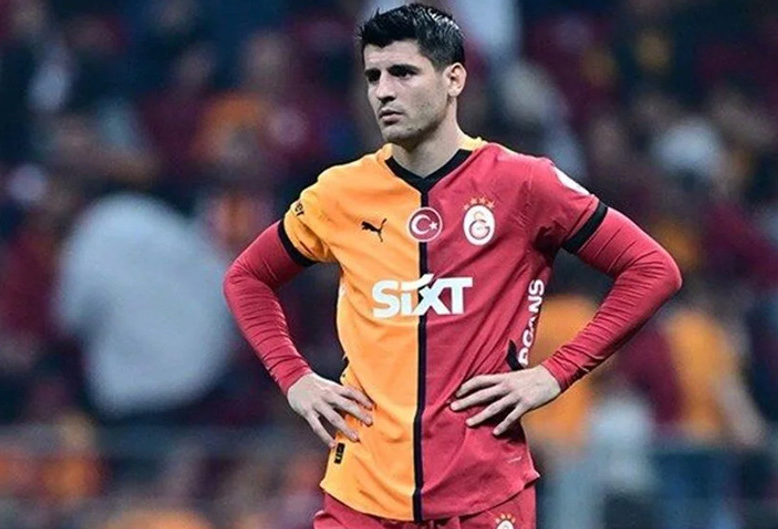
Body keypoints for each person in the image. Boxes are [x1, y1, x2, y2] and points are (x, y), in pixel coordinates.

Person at [223, 4, 682, 528]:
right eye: (373, 76)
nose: (383, 91)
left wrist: (553, 374)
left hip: (485, 498)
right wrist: (295, 379)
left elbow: (652, 269)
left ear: (454, 79)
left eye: (403, 73)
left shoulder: (523, 183)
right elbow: (246, 277)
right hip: (361, 499)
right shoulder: (340, 194)